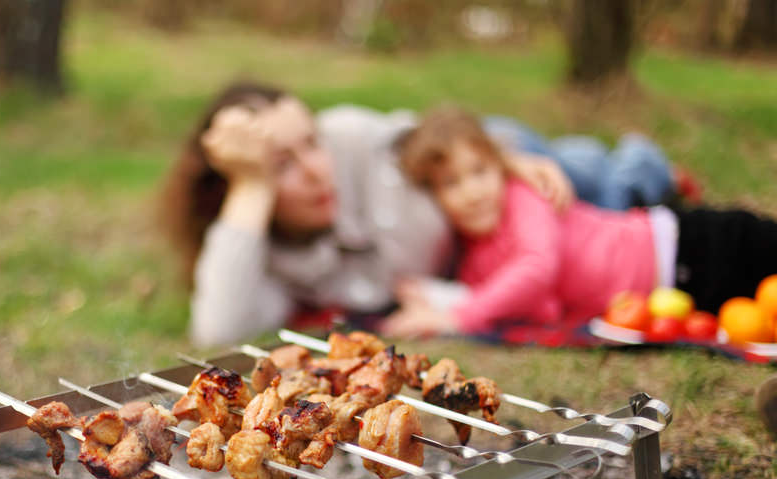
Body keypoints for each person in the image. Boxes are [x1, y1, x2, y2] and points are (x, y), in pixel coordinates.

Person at [159, 81, 676, 346]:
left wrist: (504, 160)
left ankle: (641, 158)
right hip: (484, 253)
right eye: (282, 164)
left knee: (604, 184)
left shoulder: (350, 135)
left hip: (488, 181)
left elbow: (440, 140)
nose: (319, 170)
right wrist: (253, 185)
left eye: (311, 142)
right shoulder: (265, 258)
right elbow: (217, 330)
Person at [382, 105, 777, 338]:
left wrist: (456, 316)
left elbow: (537, 270)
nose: (472, 190)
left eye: (480, 171)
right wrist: (432, 296)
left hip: (683, 243)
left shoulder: (523, 197)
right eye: (451, 182)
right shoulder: (476, 260)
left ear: (500, 166)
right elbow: (545, 308)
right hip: (678, 293)